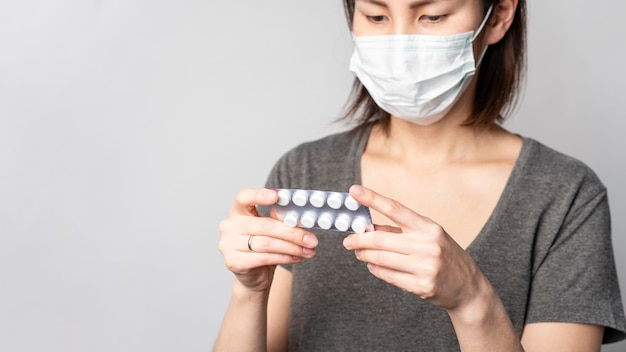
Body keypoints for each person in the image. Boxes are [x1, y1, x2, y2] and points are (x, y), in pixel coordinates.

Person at [214, 0, 626, 350]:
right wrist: (249, 292)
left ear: (499, 16)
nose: (399, 44)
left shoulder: (566, 196)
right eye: (376, 17)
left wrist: (471, 299)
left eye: (432, 16)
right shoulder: (304, 171)